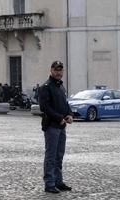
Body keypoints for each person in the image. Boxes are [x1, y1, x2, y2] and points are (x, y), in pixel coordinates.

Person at [39, 61, 73, 194]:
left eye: (60, 70)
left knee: (59, 155)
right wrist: (60, 118)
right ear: (51, 70)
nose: (59, 72)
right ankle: (49, 183)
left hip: (61, 126)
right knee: (51, 156)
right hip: (52, 126)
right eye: (56, 70)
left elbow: (65, 104)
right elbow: (45, 107)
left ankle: (58, 181)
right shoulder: (46, 87)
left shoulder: (61, 87)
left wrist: (69, 114)